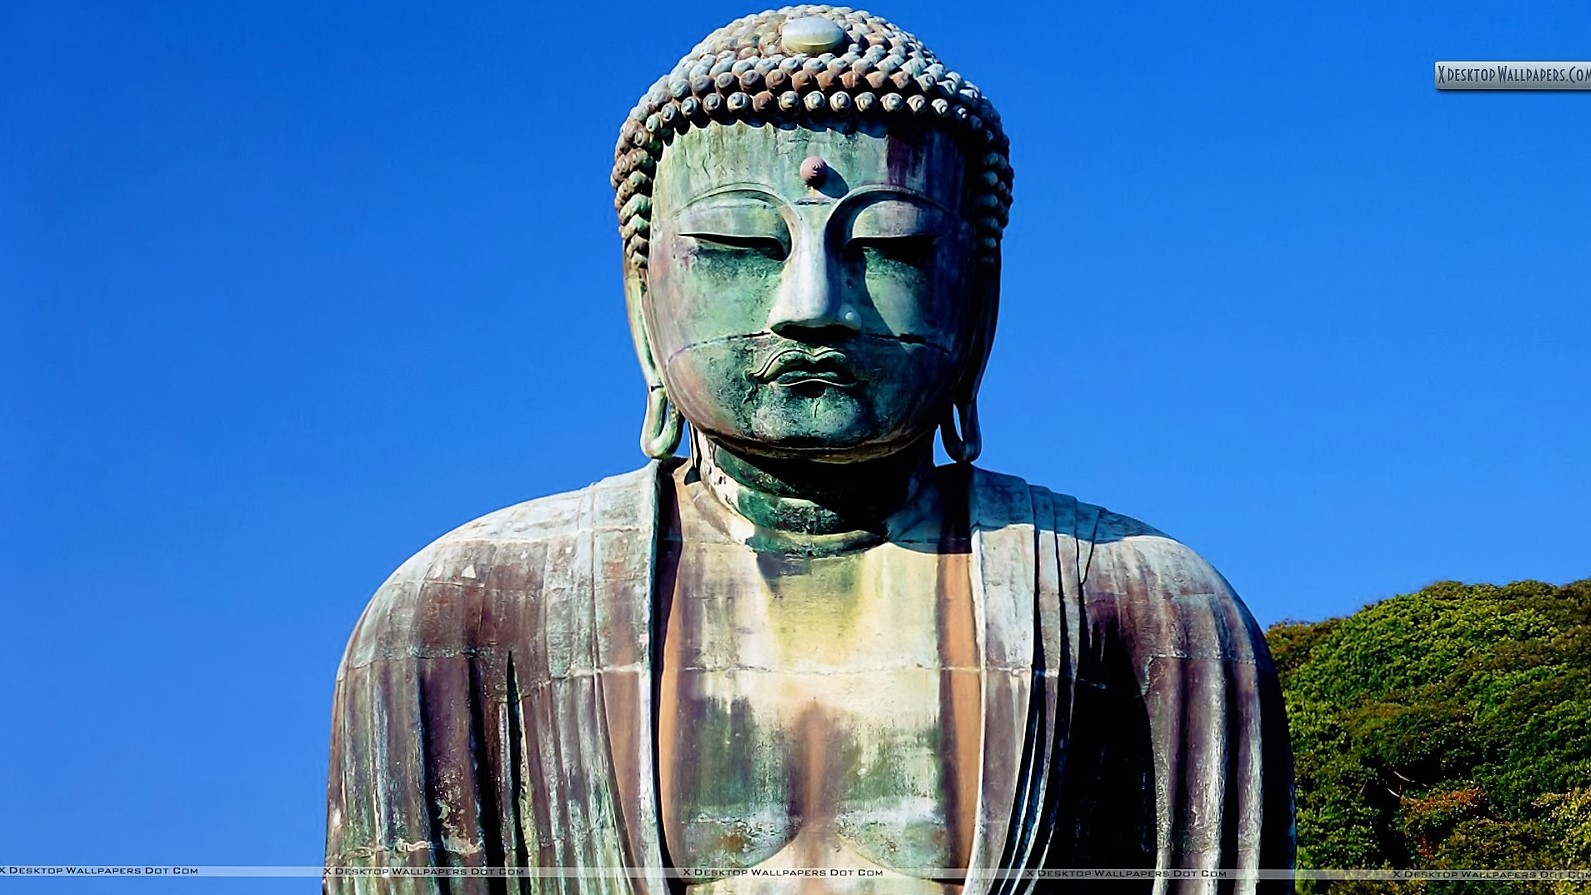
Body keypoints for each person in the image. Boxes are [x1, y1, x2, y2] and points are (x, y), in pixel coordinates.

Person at [325, 6, 1294, 893]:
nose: (811, 309)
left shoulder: (1145, 611)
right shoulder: (465, 613)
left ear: (979, 297)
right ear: (640, 294)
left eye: (890, 249)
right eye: (741, 246)